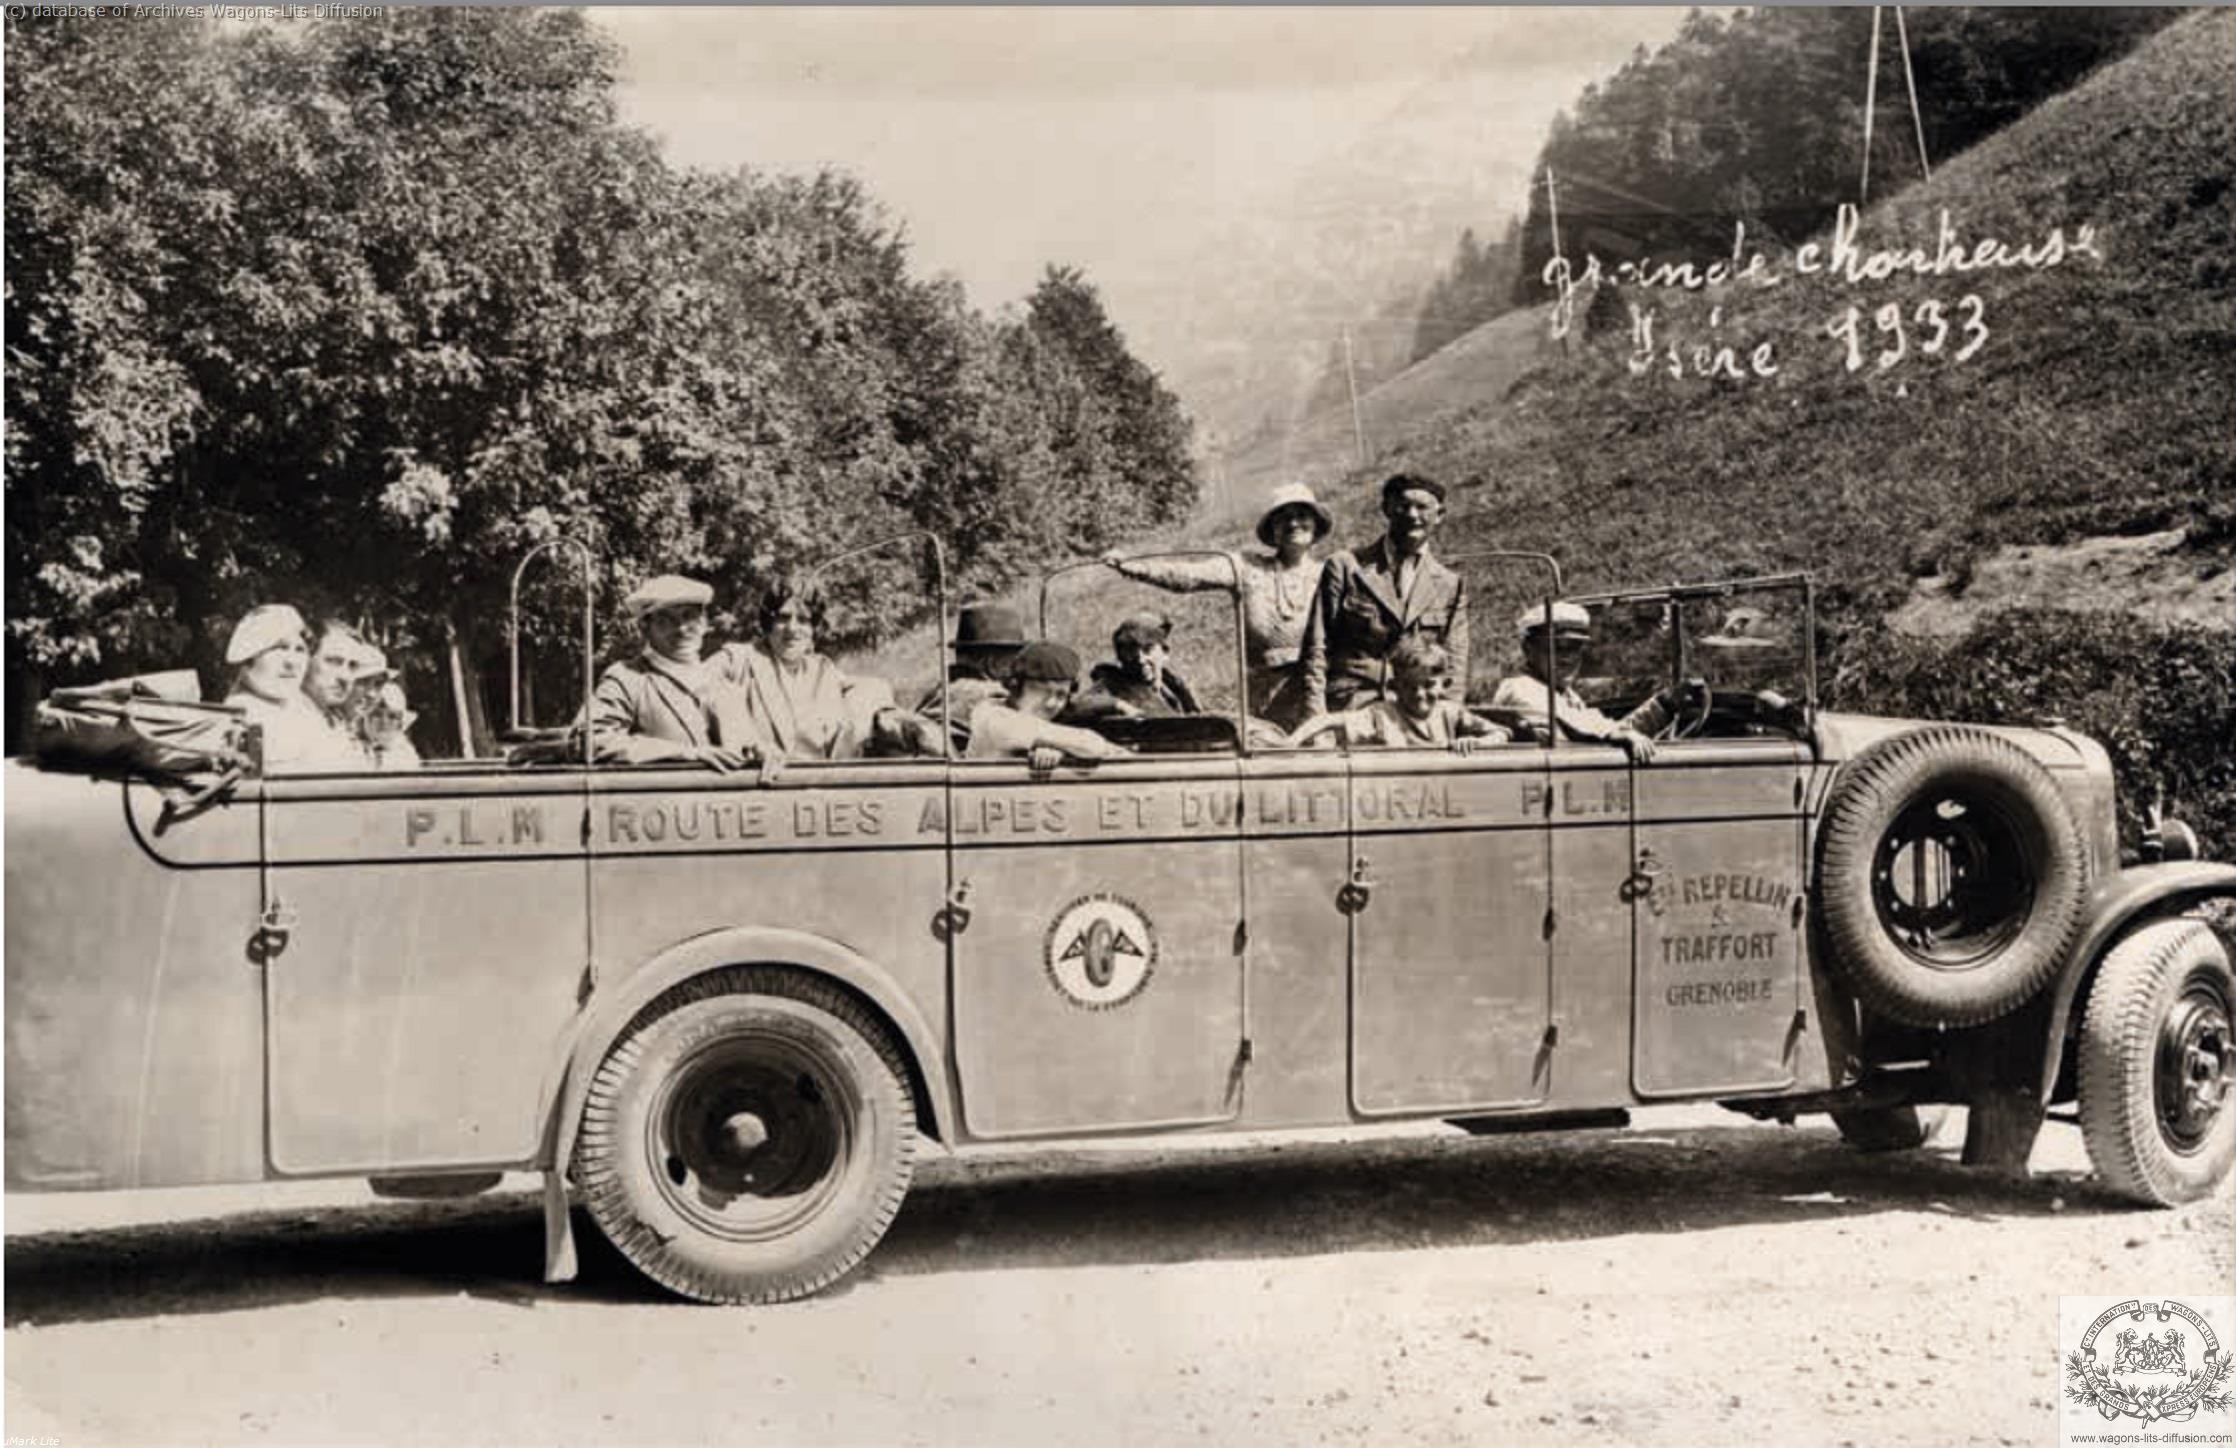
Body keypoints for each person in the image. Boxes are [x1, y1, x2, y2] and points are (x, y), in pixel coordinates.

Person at [1103, 481, 1332, 729]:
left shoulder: (1331, 575)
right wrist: (1134, 566)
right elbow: (1189, 576)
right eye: (1283, 517)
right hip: (1264, 701)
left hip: (1319, 694)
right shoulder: (1247, 567)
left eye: (1302, 515)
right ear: (1272, 529)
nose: (1293, 523)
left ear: (1316, 524)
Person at [1299, 472, 1470, 720]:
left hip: (1418, 711)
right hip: (1354, 706)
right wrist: (1317, 719)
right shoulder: (1347, 567)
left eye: (1422, 507)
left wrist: (1447, 722)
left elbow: (1454, 665)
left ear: (1439, 515)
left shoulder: (1450, 584)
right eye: (1403, 506)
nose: (1412, 515)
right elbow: (1316, 648)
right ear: (1387, 510)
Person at [712, 580, 942, 761]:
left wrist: (909, 726)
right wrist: (746, 740)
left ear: (814, 628)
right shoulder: (738, 660)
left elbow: (870, 695)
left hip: (821, 789)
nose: (793, 629)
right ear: (767, 623)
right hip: (760, 787)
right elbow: (694, 684)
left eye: (803, 620)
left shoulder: (823, 670)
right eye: (783, 618)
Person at [587, 574, 767, 771]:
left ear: (705, 624)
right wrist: (685, 753)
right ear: (644, 628)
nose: (681, 629)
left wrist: (761, 752)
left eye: (690, 616)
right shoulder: (626, 679)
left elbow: (745, 749)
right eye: (666, 620)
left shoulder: (724, 686)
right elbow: (592, 741)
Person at [1488, 601, 1694, 765]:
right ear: (1528, 650)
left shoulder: (1564, 695)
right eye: (1556, 647)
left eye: (1575, 648)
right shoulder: (1518, 689)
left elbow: (1603, 735)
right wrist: (1620, 734)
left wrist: (1664, 706)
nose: (1567, 658)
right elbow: (1590, 730)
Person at [1288, 638, 1510, 754]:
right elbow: (1326, 720)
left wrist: (1477, 742)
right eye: (1409, 686)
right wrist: (1290, 743)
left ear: (1445, 685)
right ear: (1394, 686)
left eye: (1428, 685)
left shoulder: (1450, 713)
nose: (1419, 694)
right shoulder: (1382, 715)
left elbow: (1502, 733)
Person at [221, 603, 362, 772]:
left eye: (300, 650)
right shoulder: (244, 716)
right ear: (249, 659)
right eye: (279, 648)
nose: (292, 662)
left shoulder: (303, 711)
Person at [965, 641, 1132, 772]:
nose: (1052, 704)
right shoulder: (995, 719)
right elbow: (1091, 744)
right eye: (1042, 693)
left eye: (1061, 695)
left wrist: (1058, 749)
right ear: (1016, 686)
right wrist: (1061, 746)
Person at [306, 622, 419, 769]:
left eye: (378, 685)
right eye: (363, 682)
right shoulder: (316, 725)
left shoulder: (371, 736)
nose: (372, 694)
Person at [917, 601, 1028, 751]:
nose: (1017, 669)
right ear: (992, 664)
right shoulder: (991, 694)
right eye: (1013, 661)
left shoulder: (939, 691)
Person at [1067, 611, 1201, 720]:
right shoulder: (1111, 685)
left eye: (1148, 649)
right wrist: (1119, 705)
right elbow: (1075, 707)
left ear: (1164, 653)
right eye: (1130, 651)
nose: (1140, 659)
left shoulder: (1174, 687)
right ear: (1120, 656)